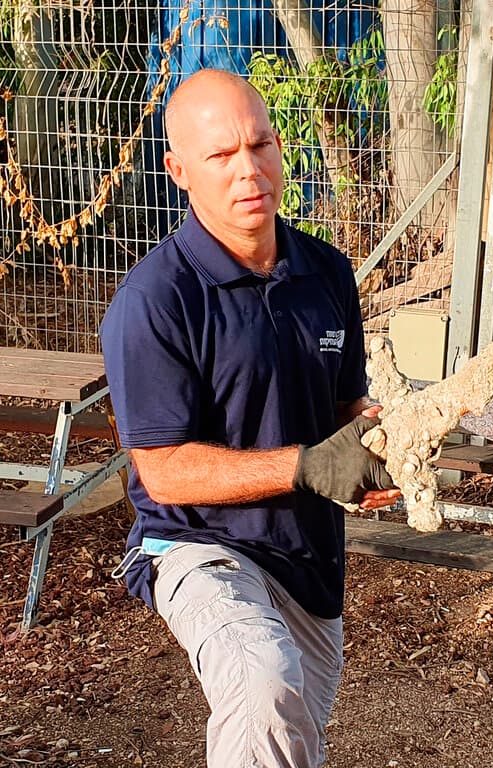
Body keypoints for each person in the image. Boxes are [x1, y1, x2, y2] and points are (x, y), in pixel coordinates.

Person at [101, 68, 401, 768]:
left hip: (308, 560)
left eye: (260, 145)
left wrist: (385, 445)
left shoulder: (326, 272)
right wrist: (304, 466)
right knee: (264, 679)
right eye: (221, 156)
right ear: (179, 170)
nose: (250, 171)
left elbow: (343, 413)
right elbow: (165, 472)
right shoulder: (156, 301)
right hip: (196, 549)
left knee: (290, 741)